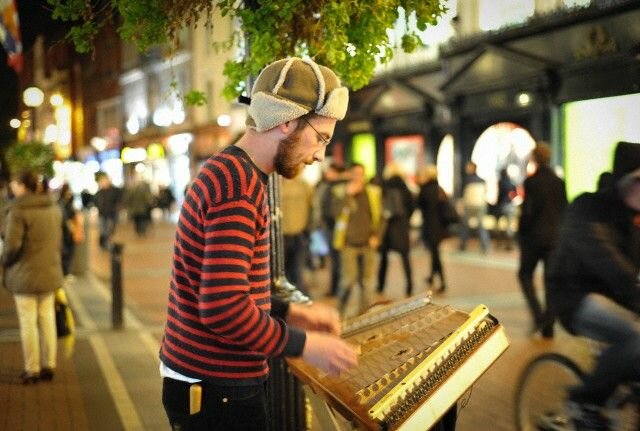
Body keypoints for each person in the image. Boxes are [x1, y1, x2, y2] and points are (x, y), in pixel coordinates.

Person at [159, 57, 358, 431]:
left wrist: (285, 311)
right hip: (217, 390)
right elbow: (222, 307)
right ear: (288, 121)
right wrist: (304, 345)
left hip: (208, 383)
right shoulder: (237, 185)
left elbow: (226, 283)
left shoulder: (235, 173)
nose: (319, 155)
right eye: (321, 137)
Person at [546, 141, 640, 430]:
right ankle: (584, 400)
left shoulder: (633, 218)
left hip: (619, 297)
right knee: (634, 338)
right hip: (574, 296)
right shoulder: (588, 207)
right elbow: (606, 259)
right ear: (624, 181)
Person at [2, 171, 64, 384]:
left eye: (14, 184)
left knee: (28, 320)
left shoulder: (18, 211)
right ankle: (50, 364)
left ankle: (32, 368)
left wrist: (5, 261)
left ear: (21, 186)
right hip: (49, 271)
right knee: (47, 318)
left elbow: (11, 246)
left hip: (25, 274)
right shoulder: (53, 207)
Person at [518, 142, 567, 338]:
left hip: (534, 238)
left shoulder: (531, 182)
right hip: (555, 238)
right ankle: (549, 324)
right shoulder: (559, 182)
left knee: (524, 274)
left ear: (535, 158)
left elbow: (527, 213)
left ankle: (539, 316)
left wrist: (521, 233)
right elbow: (564, 209)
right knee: (549, 280)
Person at [331, 162, 383, 316]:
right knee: (348, 280)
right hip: (348, 243)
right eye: (355, 174)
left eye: (361, 174)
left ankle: (364, 314)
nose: (359, 177)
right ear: (350, 175)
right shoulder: (340, 191)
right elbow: (335, 213)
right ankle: (339, 312)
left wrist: (376, 236)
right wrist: (347, 195)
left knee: (367, 283)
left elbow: (380, 217)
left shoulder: (373, 192)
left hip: (368, 243)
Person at [376, 162, 415, 297]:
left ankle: (380, 285)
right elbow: (411, 206)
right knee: (405, 257)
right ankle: (410, 285)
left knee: (384, 258)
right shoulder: (405, 187)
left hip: (387, 226)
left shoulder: (384, 186)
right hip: (402, 226)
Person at [417, 165, 450, 293]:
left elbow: (420, 204)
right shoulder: (438, 189)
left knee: (435, 255)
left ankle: (443, 282)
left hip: (431, 227)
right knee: (434, 253)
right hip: (439, 227)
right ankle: (432, 276)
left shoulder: (426, 190)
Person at [281, 175, 313, 295]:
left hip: (299, 235)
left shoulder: (304, 185)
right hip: (280, 237)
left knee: (297, 272)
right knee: (283, 273)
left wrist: (308, 230)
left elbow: (312, 207)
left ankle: (302, 302)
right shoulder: (274, 185)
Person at [458, 161, 490, 253]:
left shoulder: (467, 181)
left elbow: (464, 195)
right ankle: (485, 246)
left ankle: (462, 245)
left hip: (470, 205)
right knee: (480, 226)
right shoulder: (482, 180)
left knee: (465, 226)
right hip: (480, 205)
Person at [59, 183, 84, 276]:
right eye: (67, 191)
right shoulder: (62, 203)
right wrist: (70, 226)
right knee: (66, 252)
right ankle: (65, 272)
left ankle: (66, 272)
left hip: (70, 231)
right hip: (66, 232)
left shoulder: (68, 202)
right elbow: (64, 218)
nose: (69, 193)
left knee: (69, 252)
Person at [93, 172, 122, 250]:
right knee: (102, 230)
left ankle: (107, 243)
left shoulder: (114, 191)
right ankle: (103, 244)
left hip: (111, 214)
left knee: (109, 230)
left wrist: (116, 209)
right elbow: (95, 201)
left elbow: (118, 200)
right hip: (102, 214)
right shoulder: (99, 193)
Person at [494, 168, 517, 250]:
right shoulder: (511, 182)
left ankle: (499, 241)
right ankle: (509, 243)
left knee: (498, 224)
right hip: (510, 205)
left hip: (503, 205)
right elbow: (515, 192)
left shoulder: (501, 182)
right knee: (509, 226)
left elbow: (499, 195)